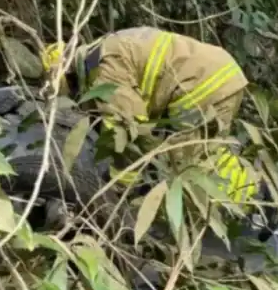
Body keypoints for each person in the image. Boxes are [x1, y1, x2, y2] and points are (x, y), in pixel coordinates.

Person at [40, 27, 255, 203]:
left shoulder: (104, 68)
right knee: (205, 153)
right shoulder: (103, 50)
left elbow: (129, 128)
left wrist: (122, 188)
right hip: (215, 76)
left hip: (202, 85)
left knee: (186, 166)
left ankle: (251, 199)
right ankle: (252, 190)